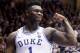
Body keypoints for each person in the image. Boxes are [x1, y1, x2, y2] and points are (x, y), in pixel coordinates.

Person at [6, 2, 77, 53]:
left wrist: (65, 20)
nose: (40, 13)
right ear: (27, 13)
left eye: (41, 12)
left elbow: (72, 42)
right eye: (36, 11)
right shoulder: (14, 36)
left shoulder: (48, 32)